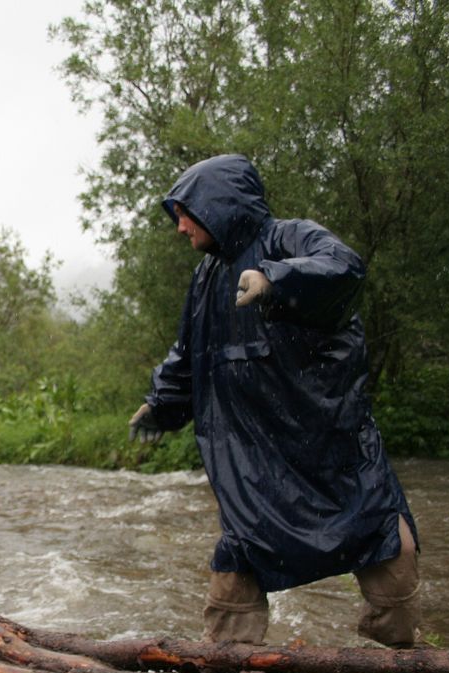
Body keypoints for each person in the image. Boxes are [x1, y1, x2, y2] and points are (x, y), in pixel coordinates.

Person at [128, 154, 420, 647]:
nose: (179, 227)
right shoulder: (204, 279)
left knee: (383, 540)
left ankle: (400, 668)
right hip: (253, 460)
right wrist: (161, 402)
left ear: (216, 206)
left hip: (330, 444)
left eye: (184, 212)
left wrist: (275, 281)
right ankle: (228, 672)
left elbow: (343, 269)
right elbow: (188, 351)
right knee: (239, 554)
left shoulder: (291, 237)